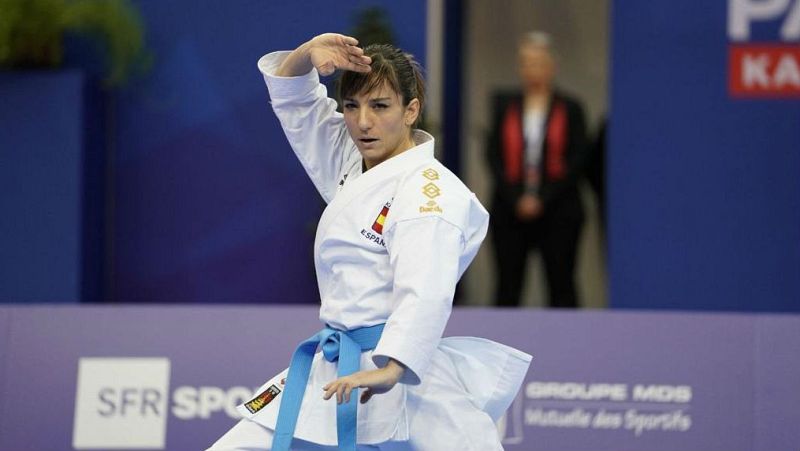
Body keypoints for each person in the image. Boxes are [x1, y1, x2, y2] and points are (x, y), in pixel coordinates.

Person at [207, 33, 531, 451]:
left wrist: (394, 366)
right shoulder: (352, 162)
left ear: (411, 110)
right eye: (351, 106)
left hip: (402, 372)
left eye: (379, 106)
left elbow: (425, 288)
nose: (363, 122)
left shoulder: (428, 192)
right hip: (335, 365)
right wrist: (306, 54)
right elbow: (297, 105)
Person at [486, 32, 588, 309]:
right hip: (510, 209)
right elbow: (493, 155)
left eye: (538, 62)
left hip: (559, 209)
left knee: (562, 284)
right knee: (507, 286)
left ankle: (567, 335)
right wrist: (517, 198)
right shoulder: (504, 106)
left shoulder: (571, 108)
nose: (532, 69)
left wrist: (542, 198)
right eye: (526, 63)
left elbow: (578, 159)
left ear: (551, 66)